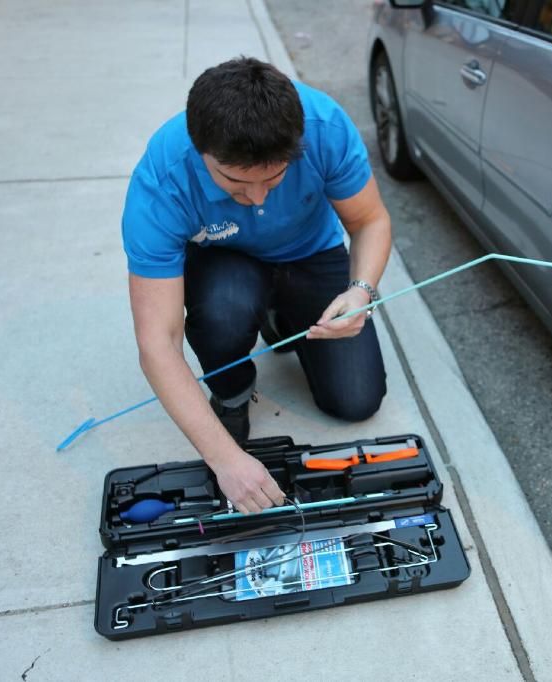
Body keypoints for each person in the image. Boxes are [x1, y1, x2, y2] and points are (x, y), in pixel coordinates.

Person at [121, 57, 391, 516]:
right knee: (224, 310)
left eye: (274, 177)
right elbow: (157, 342)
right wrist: (225, 460)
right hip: (228, 262)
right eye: (238, 183)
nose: (259, 197)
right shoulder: (162, 181)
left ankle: (278, 314)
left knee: (356, 401)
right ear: (199, 149)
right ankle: (233, 391)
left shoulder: (324, 126)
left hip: (311, 252)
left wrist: (361, 291)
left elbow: (370, 220)